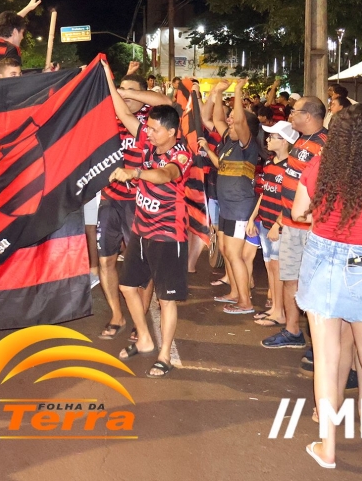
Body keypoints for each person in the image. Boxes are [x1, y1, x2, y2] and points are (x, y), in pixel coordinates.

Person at [292, 103, 362, 475]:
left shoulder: (318, 168)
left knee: (327, 360)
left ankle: (327, 448)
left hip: (322, 258)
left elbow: (297, 212)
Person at [107, 82, 192, 378]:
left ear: (171, 132)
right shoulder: (149, 140)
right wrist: (106, 77)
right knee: (127, 286)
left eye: (155, 129)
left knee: (166, 299)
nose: (148, 132)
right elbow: (123, 112)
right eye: (148, 128)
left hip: (168, 235)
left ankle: (164, 354)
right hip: (141, 231)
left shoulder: (181, 155)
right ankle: (144, 338)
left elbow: (165, 175)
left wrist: (136, 172)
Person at [96, 72, 172, 341]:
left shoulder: (149, 122)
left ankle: (139, 319)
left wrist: (126, 93)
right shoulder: (108, 117)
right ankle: (117, 315)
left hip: (140, 202)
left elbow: (166, 102)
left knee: (141, 262)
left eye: (131, 91)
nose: (124, 94)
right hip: (110, 199)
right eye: (121, 88)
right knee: (105, 260)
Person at [262, 96, 328, 349]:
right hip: (290, 224)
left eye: (294, 111)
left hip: (310, 228)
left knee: (313, 285)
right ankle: (292, 331)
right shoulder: (301, 140)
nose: (290, 115)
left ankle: (319, 342)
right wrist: (282, 219)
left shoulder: (325, 144)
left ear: (308, 116)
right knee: (290, 279)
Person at [199, 80, 261, 316]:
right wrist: (217, 93)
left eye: (233, 121)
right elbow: (217, 119)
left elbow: (241, 122)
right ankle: (235, 292)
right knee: (225, 250)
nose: (229, 123)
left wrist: (237, 91)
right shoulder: (229, 142)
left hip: (239, 207)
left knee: (235, 254)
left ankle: (245, 302)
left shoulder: (247, 145)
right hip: (227, 206)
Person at [246, 120, 298, 327]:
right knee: (270, 267)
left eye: (272, 137)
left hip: (278, 226)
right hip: (265, 222)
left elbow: (292, 200)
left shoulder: (291, 167)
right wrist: (253, 217)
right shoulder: (269, 163)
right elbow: (264, 193)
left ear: (284, 141)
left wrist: (278, 224)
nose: (267, 140)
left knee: (277, 268)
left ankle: (280, 312)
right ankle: (275, 308)